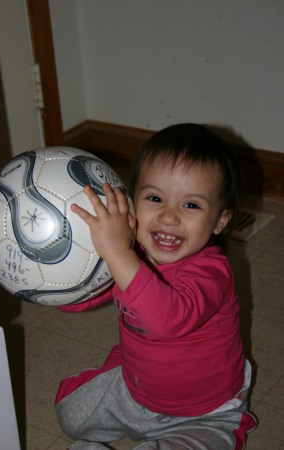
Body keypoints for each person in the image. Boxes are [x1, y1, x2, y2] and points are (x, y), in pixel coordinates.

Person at [55, 123, 257, 449]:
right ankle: (116, 369)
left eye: (191, 205)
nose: (168, 217)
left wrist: (118, 254)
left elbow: (167, 318)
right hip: (136, 389)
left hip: (205, 413)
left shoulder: (212, 272)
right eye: (154, 198)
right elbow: (82, 296)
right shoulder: (132, 253)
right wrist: (61, 280)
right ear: (132, 201)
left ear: (221, 220)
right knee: (69, 416)